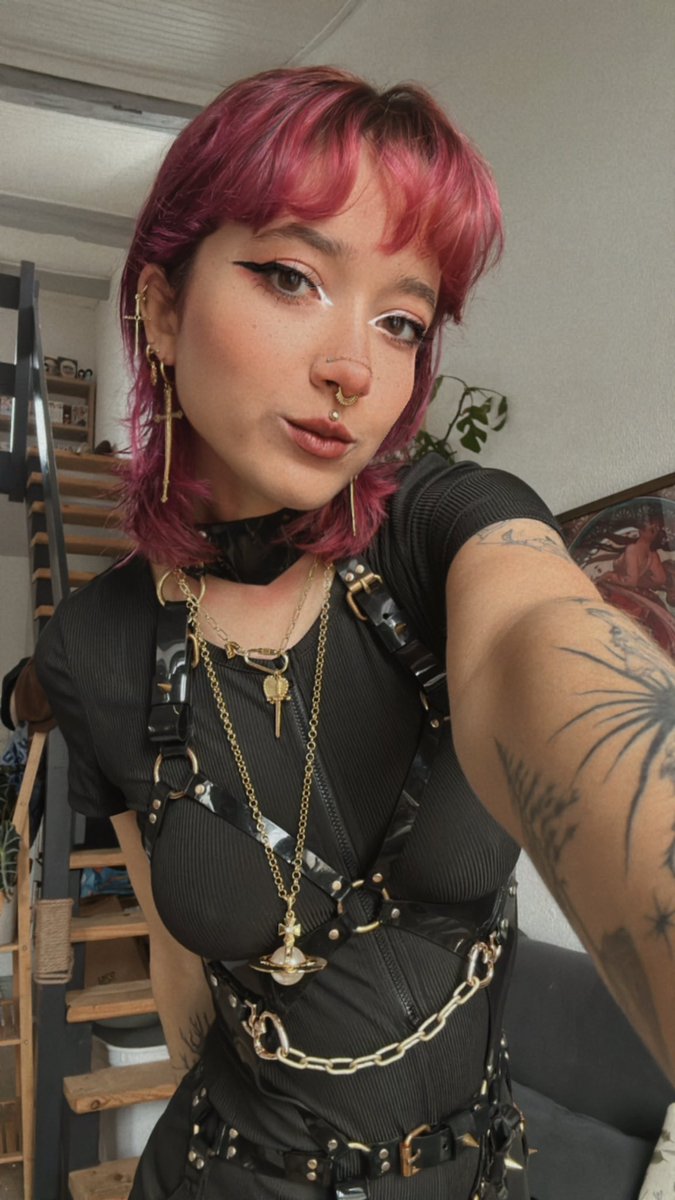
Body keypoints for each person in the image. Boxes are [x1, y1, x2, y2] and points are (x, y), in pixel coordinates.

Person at [32, 66, 675, 1199]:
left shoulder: (447, 530)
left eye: (400, 321)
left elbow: (540, 641)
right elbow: (185, 975)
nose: (352, 370)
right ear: (162, 310)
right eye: (292, 276)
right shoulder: (95, 648)